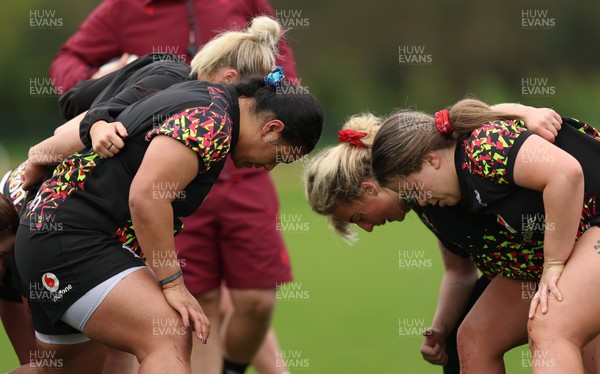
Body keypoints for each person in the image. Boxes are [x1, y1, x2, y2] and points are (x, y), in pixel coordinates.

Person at [12, 72, 323, 374]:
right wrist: (173, 284)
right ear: (271, 128)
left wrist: (42, 155)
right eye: (279, 157)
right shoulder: (213, 123)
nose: (268, 167)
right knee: (167, 333)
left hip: (50, 234)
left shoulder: (205, 96)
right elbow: (148, 197)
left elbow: (103, 114)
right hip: (71, 239)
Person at [49, 4, 300, 371]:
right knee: (198, 305)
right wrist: (110, 77)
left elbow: (283, 79)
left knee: (258, 300)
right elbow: (68, 61)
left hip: (244, 172)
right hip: (171, 178)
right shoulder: (125, 8)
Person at [303, 105, 571, 373]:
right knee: (462, 340)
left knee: (561, 339)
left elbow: (468, 119)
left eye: (359, 216)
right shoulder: (423, 199)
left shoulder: (430, 169)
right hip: (526, 268)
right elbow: (459, 271)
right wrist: (440, 329)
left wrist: (526, 113)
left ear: (369, 189)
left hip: (566, 249)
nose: (368, 228)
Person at [370, 99, 600, 373]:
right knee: (475, 336)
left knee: (550, 328)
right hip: (582, 236)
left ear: (431, 160)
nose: (420, 201)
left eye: (413, 189)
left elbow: (566, 173)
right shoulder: (463, 175)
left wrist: (552, 264)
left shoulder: (481, 147)